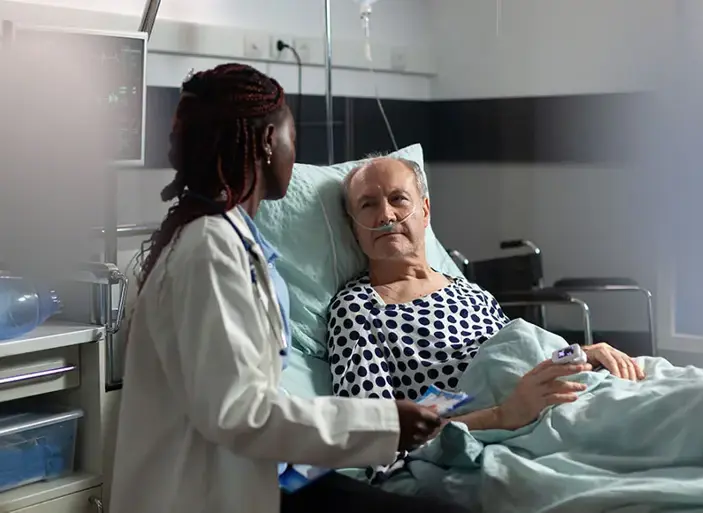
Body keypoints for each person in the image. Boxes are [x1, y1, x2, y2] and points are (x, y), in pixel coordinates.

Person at [109, 65, 471, 513]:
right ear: (266, 143)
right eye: (291, 138)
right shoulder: (210, 251)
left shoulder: (234, 241)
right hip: (201, 491)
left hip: (259, 472)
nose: (293, 152)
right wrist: (383, 422)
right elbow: (240, 411)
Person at [327, 156, 646, 432]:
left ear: (425, 212)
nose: (386, 215)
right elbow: (371, 434)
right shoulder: (358, 308)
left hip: (574, 391)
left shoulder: (468, 291)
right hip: (529, 424)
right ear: (354, 227)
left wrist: (577, 355)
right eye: (368, 204)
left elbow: (520, 355)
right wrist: (504, 414)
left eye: (399, 199)